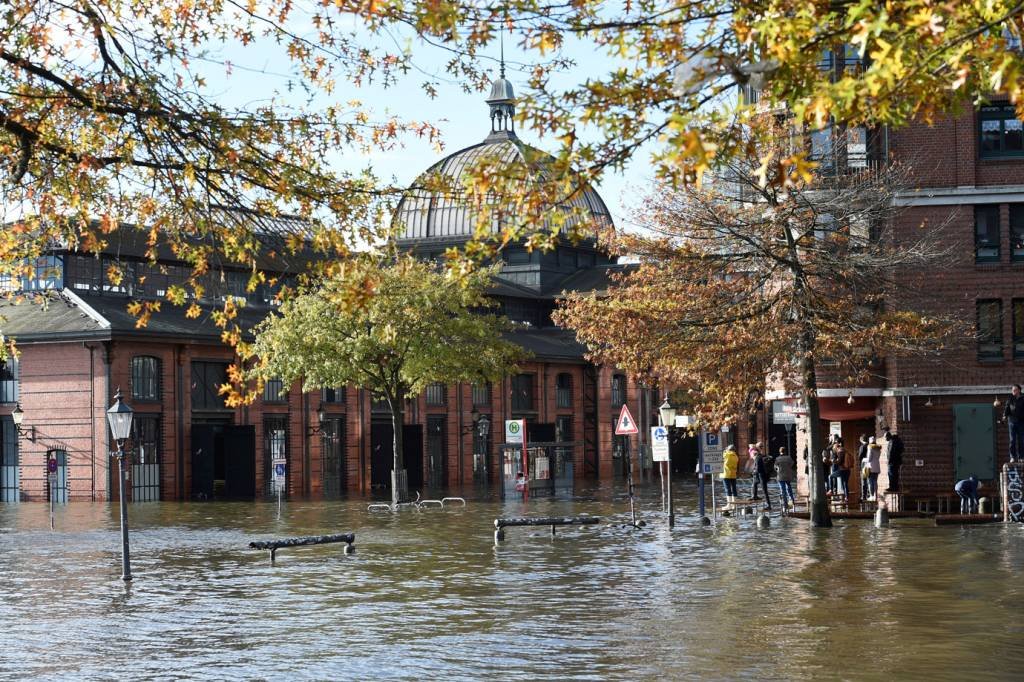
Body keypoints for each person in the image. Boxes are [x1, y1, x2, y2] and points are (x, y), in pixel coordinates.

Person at [1003, 384, 1024, 463]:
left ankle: (1021, 457)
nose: (1013, 391)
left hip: (1021, 422)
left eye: (1015, 390)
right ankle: (1012, 457)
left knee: (1021, 440)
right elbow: (1007, 407)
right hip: (1012, 421)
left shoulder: (1023, 398)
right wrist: (1005, 415)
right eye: (1012, 390)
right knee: (1012, 440)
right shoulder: (1010, 398)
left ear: (1019, 390)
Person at [753, 443, 773, 511]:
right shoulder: (763, 455)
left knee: (765, 491)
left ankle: (768, 505)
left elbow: (758, 468)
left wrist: (754, 471)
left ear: (757, 448)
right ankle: (754, 496)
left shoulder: (758, 457)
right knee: (754, 483)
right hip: (764, 475)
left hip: (761, 475)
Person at [721, 444, 738, 510]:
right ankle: (734, 505)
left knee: (727, 489)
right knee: (734, 489)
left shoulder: (727, 455)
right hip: (733, 474)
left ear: (729, 449)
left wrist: (725, 450)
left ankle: (729, 505)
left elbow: (722, 456)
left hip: (726, 474)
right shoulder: (736, 456)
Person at [866, 436, 882, 501]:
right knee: (875, 481)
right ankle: (876, 495)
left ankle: (871, 496)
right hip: (877, 467)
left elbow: (869, 459)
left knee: (870, 482)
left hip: (871, 467)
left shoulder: (870, 447)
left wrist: (864, 460)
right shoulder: (878, 448)